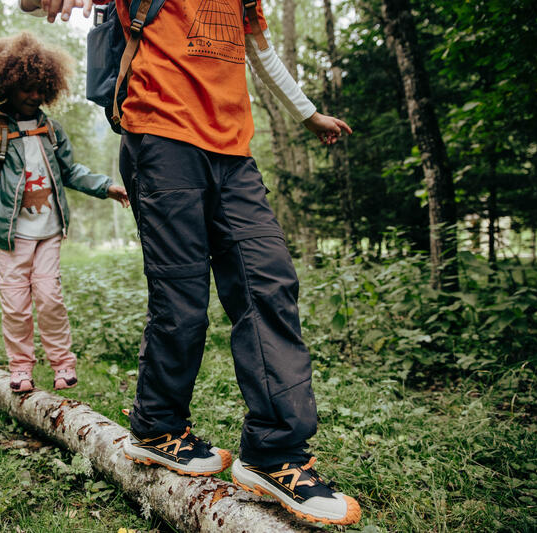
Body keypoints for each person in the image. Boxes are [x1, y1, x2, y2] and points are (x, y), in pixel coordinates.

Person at [31, 0, 361, 525]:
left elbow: (259, 51)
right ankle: (159, 427)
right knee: (181, 296)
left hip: (233, 152)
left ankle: (273, 453)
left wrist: (307, 112)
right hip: (160, 137)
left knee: (269, 283)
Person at [0, 34, 130, 393]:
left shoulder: (51, 129)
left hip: (48, 230)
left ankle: (63, 364)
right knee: (16, 305)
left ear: (49, 88)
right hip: (11, 235)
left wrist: (105, 186)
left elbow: (70, 171)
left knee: (49, 298)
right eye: (24, 89)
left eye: (39, 89)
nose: (32, 96)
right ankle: (21, 368)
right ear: (6, 87)